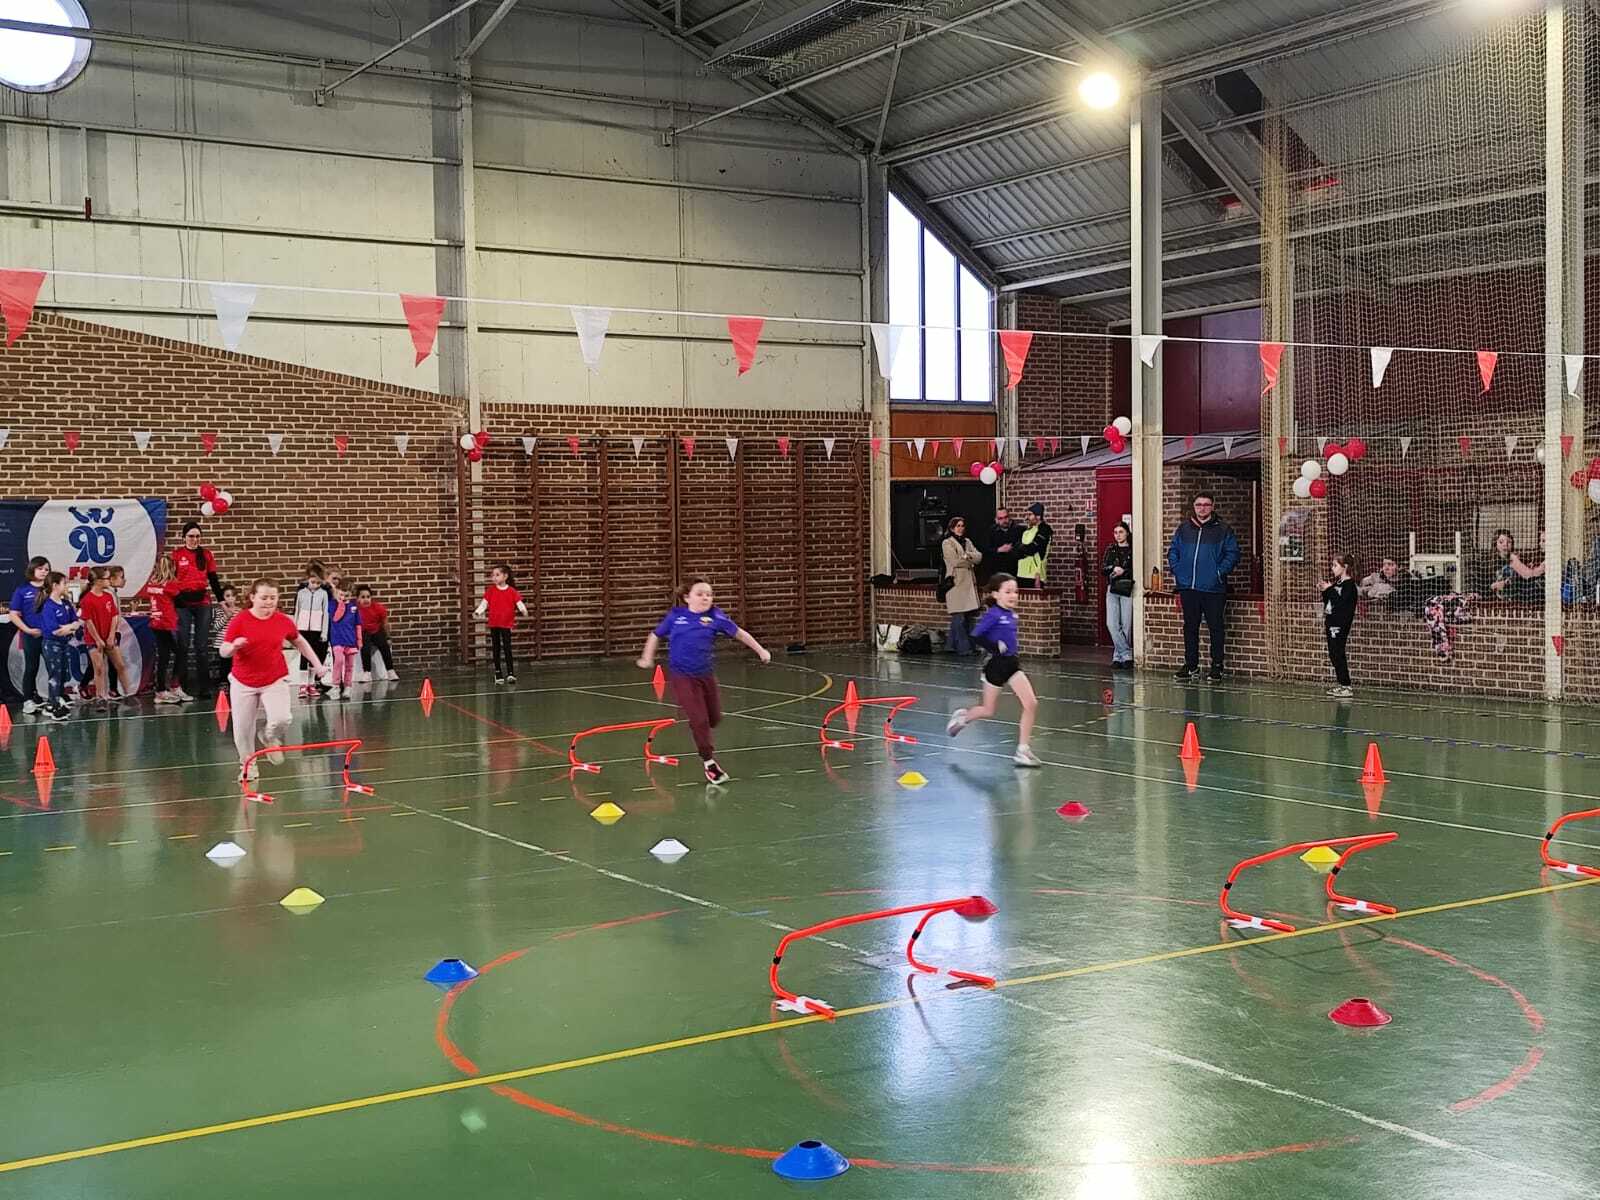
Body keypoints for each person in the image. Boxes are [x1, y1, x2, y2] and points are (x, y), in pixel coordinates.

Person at [637, 576, 770, 785]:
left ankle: (700, 725)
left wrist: (760, 650)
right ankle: (709, 762)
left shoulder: (716, 617)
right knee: (699, 720)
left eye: (709, 594)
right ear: (687, 597)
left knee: (714, 719)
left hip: (706, 676)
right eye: (700, 594)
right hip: (682, 677)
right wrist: (647, 657)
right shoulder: (676, 616)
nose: (705, 598)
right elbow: (655, 635)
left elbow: (740, 634)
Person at [220, 579, 330, 782]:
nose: (268, 602)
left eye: (273, 598)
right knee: (243, 729)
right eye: (264, 598)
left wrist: (317, 664)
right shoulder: (241, 620)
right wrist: (234, 647)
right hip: (243, 681)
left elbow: (300, 641)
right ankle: (248, 766)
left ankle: (269, 736)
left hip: (274, 678)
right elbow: (223, 650)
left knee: (282, 718)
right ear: (253, 597)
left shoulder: (282, 620)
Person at [944, 573, 1041, 767]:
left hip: (1012, 665)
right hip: (995, 666)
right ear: (996, 594)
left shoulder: (1011, 614)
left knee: (1031, 703)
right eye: (1008, 592)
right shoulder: (993, 614)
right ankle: (962, 718)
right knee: (988, 710)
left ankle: (1022, 750)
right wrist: (995, 647)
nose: (1013, 595)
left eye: (1015, 592)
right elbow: (976, 635)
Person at [1166, 492, 1240, 682]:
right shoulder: (1184, 529)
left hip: (1213, 588)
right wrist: (1178, 570)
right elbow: (1173, 551)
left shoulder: (1223, 529)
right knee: (1190, 627)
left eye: (1206, 504)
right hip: (1188, 587)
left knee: (1216, 628)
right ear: (1194, 506)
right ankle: (1191, 665)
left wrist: (1218, 573)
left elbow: (1232, 554)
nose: (1202, 508)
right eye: (1199, 504)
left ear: (1212, 507)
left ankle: (1217, 666)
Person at [173, 521, 225, 701]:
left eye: (197, 536)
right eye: (190, 536)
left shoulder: (207, 554)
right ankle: (181, 686)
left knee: (201, 646)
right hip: (182, 603)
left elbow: (213, 579)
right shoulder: (176, 555)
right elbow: (170, 580)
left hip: (202, 602)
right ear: (184, 537)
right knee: (183, 644)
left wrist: (222, 601)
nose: (194, 539)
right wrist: (176, 601)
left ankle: (204, 687)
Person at [79, 567, 130, 708]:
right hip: (94, 639)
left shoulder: (108, 596)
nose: (109, 581)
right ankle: (100, 696)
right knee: (99, 668)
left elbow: (114, 615)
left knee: (120, 665)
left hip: (109, 636)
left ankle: (127, 692)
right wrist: (97, 639)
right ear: (98, 581)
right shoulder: (87, 600)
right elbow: (88, 621)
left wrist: (111, 635)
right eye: (107, 578)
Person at [6, 556, 51, 714]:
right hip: (31, 635)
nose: (44, 572)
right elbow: (13, 614)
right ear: (32, 569)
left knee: (54, 667)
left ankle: (55, 699)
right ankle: (28, 700)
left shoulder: (51, 588)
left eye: (46, 569)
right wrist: (28, 630)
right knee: (31, 667)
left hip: (50, 636)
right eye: (40, 568)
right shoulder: (22, 590)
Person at [34, 572, 81, 721]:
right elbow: (55, 631)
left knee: (62, 674)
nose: (67, 586)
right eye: (64, 583)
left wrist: (69, 627)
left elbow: (76, 622)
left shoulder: (66, 603)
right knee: (55, 674)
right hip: (51, 644)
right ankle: (53, 706)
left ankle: (55, 700)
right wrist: (69, 628)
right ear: (55, 586)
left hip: (64, 644)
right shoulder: (48, 606)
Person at [475, 563, 527, 684]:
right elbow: (484, 603)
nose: (494, 577)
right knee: (496, 648)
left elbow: (519, 603)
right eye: (493, 575)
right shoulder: (491, 591)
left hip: (506, 624)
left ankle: (510, 673)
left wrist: (523, 610)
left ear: (505, 576)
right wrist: (478, 612)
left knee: (507, 648)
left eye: (497, 575)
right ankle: (498, 672)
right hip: (494, 623)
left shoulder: (511, 591)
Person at [940, 516, 983, 656]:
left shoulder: (967, 541)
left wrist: (967, 555)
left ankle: (950, 646)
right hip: (955, 583)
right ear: (952, 528)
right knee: (959, 616)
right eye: (958, 525)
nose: (960, 528)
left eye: (962, 525)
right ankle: (965, 649)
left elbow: (979, 557)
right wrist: (970, 561)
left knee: (963, 616)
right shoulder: (947, 543)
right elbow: (955, 561)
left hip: (968, 583)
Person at [146, 555, 185, 704]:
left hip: (155, 623)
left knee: (164, 657)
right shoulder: (170, 585)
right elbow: (181, 602)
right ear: (171, 568)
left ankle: (161, 690)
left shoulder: (151, 583)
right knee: (180, 653)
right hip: (167, 624)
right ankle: (170, 687)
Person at [293, 562, 333, 699]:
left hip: (317, 630)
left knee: (312, 657)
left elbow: (326, 614)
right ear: (307, 579)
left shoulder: (323, 594)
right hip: (302, 629)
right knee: (303, 658)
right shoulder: (301, 593)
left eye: (318, 583)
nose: (315, 585)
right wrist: (294, 630)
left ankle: (311, 684)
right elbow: (297, 611)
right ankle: (302, 685)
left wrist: (324, 632)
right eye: (312, 582)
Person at [1321, 553, 1358, 698]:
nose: (1332, 568)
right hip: (1331, 620)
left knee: (1338, 652)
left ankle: (1346, 685)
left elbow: (1341, 603)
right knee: (1333, 653)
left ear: (1345, 567)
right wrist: (1325, 590)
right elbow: (1330, 601)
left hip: (1340, 623)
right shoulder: (1337, 584)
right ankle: (1342, 684)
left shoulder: (1350, 586)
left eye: (1335, 565)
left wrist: (1330, 590)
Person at [1103, 521, 1135, 669]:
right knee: (1112, 623)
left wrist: (1124, 571)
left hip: (1127, 587)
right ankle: (1126, 654)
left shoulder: (1133, 549)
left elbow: (1136, 568)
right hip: (1113, 588)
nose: (1118, 535)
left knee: (1126, 624)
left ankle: (1118, 657)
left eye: (1121, 532)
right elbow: (1103, 568)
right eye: (1115, 532)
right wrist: (1112, 568)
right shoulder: (1111, 549)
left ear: (1127, 533)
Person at [326, 582, 362, 700]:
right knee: (339, 661)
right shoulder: (332, 604)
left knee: (349, 665)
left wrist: (359, 640)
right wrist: (341, 604)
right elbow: (335, 618)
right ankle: (336, 686)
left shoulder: (354, 607)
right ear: (337, 593)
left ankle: (348, 687)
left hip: (350, 640)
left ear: (351, 595)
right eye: (341, 595)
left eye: (346, 596)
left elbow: (358, 624)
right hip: (337, 639)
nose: (343, 597)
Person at [356, 585, 400, 681]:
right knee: (365, 648)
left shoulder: (378, 608)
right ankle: (367, 672)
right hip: (363, 632)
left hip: (376, 631)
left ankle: (390, 671)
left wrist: (388, 637)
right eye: (363, 597)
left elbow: (385, 624)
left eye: (368, 597)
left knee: (384, 646)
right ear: (358, 599)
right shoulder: (355, 609)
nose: (366, 600)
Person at [1016, 503, 1053, 589]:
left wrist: (1022, 550)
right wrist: (1022, 550)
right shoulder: (1027, 531)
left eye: (1030, 514)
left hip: (1035, 575)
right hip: (1022, 573)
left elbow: (1033, 549)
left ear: (1038, 516)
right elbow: (1017, 550)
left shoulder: (1044, 530)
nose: (1027, 517)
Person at [984, 507, 1025, 582]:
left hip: (1015, 571)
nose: (1004, 520)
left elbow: (1023, 550)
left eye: (1006, 517)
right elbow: (986, 550)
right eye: (1000, 518)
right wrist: (998, 550)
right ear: (996, 520)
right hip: (997, 572)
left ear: (1009, 517)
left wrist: (1013, 549)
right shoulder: (991, 531)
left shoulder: (1019, 530)